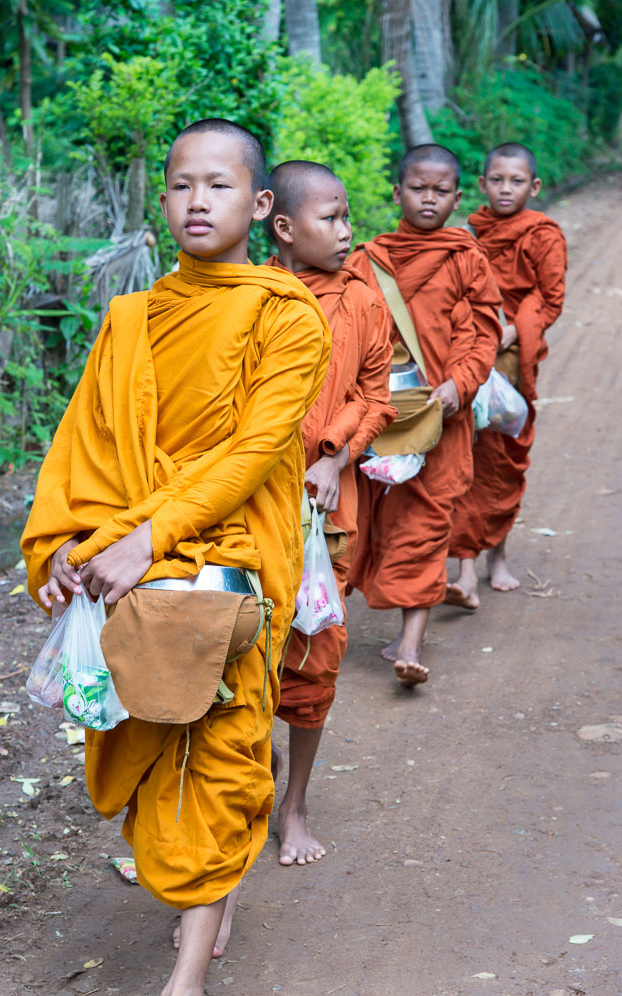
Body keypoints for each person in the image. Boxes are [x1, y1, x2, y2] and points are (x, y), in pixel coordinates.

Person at [21, 119, 331, 996]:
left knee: (225, 747)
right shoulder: (133, 317)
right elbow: (84, 444)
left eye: (219, 185)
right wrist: (63, 543)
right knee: (155, 732)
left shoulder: (288, 315)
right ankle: (211, 887)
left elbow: (251, 453)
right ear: (162, 201)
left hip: (231, 557)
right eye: (181, 185)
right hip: (125, 561)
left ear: (261, 204)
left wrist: (146, 536)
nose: (198, 201)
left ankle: (186, 979)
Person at [263, 160, 395, 866]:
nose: (347, 233)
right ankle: (241, 798)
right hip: (252, 504)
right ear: (284, 228)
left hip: (328, 505)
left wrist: (337, 452)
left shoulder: (363, 300)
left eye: (348, 217)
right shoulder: (252, 299)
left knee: (316, 653)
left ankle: (297, 804)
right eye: (332, 219)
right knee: (244, 652)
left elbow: (377, 393)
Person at [348, 144, 502, 686]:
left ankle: (411, 642)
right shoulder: (368, 258)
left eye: (441, 191)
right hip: (377, 417)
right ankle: (323, 628)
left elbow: (482, 330)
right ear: (397, 193)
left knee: (427, 519)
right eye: (419, 188)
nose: (429, 199)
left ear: (459, 198)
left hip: (440, 416)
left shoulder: (466, 258)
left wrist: (461, 384)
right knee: (358, 519)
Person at [446, 142, 567, 607]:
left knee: (500, 461)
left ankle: (496, 557)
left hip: (511, 363)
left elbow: (550, 299)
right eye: (496, 180)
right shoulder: (470, 231)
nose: (505, 189)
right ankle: (463, 568)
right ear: (481, 184)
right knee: (463, 458)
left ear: (533, 187)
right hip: (468, 357)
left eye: (516, 181)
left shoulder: (543, 234)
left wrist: (511, 333)